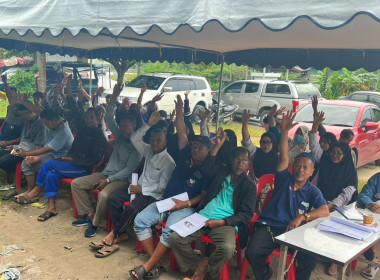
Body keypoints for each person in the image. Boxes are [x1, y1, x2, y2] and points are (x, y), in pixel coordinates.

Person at [129, 95, 214, 280]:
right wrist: (180, 112)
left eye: (200, 148)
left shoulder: (208, 169)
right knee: (140, 221)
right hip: (167, 201)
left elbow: (203, 195)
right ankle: (157, 263)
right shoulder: (185, 156)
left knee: (170, 230)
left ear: (208, 151)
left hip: (187, 206)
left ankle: (148, 266)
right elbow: (182, 131)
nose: (195, 150)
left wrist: (185, 204)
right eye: (194, 147)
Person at [245, 111, 329, 280]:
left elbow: (325, 211)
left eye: (306, 167)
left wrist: (303, 217)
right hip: (269, 226)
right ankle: (265, 274)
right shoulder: (284, 179)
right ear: (293, 166)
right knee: (251, 253)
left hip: (293, 231)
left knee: (309, 258)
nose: (301, 170)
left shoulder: (312, 191)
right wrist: (284, 131)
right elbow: (284, 155)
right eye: (298, 165)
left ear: (312, 172)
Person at [22, 78, 108, 221]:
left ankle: (36, 190)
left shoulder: (100, 137)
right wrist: (68, 89)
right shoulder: (83, 129)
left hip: (84, 169)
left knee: (49, 164)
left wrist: (73, 159)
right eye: (87, 117)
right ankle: (51, 208)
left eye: (91, 118)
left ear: (98, 119)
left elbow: (95, 160)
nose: (88, 120)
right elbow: (75, 110)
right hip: (71, 163)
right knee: (51, 175)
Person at [93, 112, 176, 257]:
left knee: (131, 208)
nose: (154, 143)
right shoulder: (148, 150)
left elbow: (162, 187)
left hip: (152, 195)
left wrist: (142, 189)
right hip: (137, 188)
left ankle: (115, 233)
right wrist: (148, 125)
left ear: (166, 141)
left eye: (158, 140)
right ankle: (123, 232)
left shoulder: (169, 162)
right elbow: (134, 138)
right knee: (113, 199)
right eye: (152, 140)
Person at [169, 147, 256, 280]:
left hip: (225, 223)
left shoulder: (249, 186)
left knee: (227, 248)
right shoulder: (222, 172)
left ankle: (203, 271)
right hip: (202, 217)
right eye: (238, 160)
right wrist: (218, 146)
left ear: (248, 163)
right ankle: (200, 267)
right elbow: (205, 169)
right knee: (175, 238)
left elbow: (246, 214)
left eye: (244, 161)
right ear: (231, 160)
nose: (240, 164)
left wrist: (223, 222)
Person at [71, 82, 142, 237]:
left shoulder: (138, 147)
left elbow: (128, 170)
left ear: (134, 128)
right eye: (121, 126)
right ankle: (88, 215)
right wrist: (114, 97)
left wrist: (108, 181)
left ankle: (95, 224)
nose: (123, 129)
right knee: (77, 184)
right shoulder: (120, 136)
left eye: (126, 127)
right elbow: (109, 117)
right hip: (106, 173)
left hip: (122, 180)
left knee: (103, 195)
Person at [14, 106, 74, 204]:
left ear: (55, 120)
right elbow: (39, 110)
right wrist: (21, 102)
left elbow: (47, 150)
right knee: (27, 162)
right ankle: (30, 190)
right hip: (49, 155)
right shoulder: (56, 120)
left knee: (28, 161)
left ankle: (35, 193)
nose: (45, 125)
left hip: (59, 159)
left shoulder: (63, 132)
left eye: (46, 123)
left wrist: (27, 153)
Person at [317, 140, 358, 275]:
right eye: (332, 152)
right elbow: (315, 184)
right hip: (323, 202)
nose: (335, 155)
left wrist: (328, 207)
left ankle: (335, 261)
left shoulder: (350, 172)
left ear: (345, 155)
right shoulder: (325, 165)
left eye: (339, 153)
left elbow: (346, 196)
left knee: (338, 227)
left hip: (342, 208)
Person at [0, 103, 47, 175]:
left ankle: (20, 177)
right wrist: (12, 105)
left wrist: (16, 148)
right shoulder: (26, 120)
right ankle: (18, 175)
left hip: (27, 152)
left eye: (24, 114)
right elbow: (10, 120)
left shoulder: (41, 125)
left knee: (2, 162)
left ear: (30, 112)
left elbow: (38, 146)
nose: (22, 116)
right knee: (2, 153)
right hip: (19, 148)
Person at [242, 109, 278, 180]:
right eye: (263, 142)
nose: (265, 144)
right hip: (255, 185)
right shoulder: (256, 152)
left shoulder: (278, 159)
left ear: (273, 144)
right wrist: (244, 124)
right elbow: (247, 141)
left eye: (268, 142)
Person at [357, 172, 380, 280]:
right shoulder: (377, 178)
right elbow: (363, 195)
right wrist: (370, 204)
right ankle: (371, 260)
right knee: (365, 228)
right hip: (375, 218)